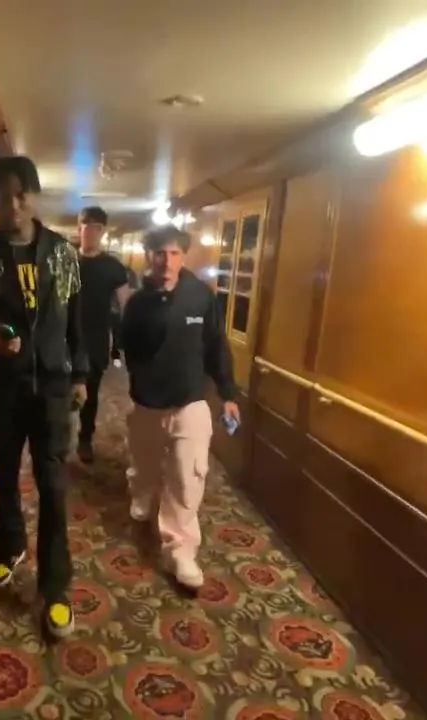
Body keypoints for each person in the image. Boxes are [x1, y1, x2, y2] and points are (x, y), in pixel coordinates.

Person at [0, 155, 88, 638]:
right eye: (1, 194)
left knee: (53, 485)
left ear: (35, 195)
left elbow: (76, 322)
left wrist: (81, 374)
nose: (12, 202)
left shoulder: (63, 254)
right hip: (4, 385)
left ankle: (56, 585)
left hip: (52, 388)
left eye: (21, 192)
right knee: (5, 472)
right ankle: (10, 546)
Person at [120, 226, 239, 590]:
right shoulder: (138, 303)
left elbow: (216, 346)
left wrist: (228, 393)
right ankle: (141, 492)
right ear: (149, 255)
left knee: (187, 478)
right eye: (160, 253)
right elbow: (128, 348)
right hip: (147, 404)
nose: (166, 261)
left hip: (190, 402)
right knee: (144, 464)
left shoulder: (200, 296)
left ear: (183, 257)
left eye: (174, 253)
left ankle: (181, 552)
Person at [73, 206, 134, 463]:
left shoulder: (113, 267)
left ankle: (85, 438)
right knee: (57, 392)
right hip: (64, 339)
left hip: (95, 340)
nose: (91, 232)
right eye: (86, 226)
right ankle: (55, 439)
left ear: (103, 231)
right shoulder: (65, 261)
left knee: (90, 394)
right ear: (79, 228)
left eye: (96, 228)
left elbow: (126, 303)